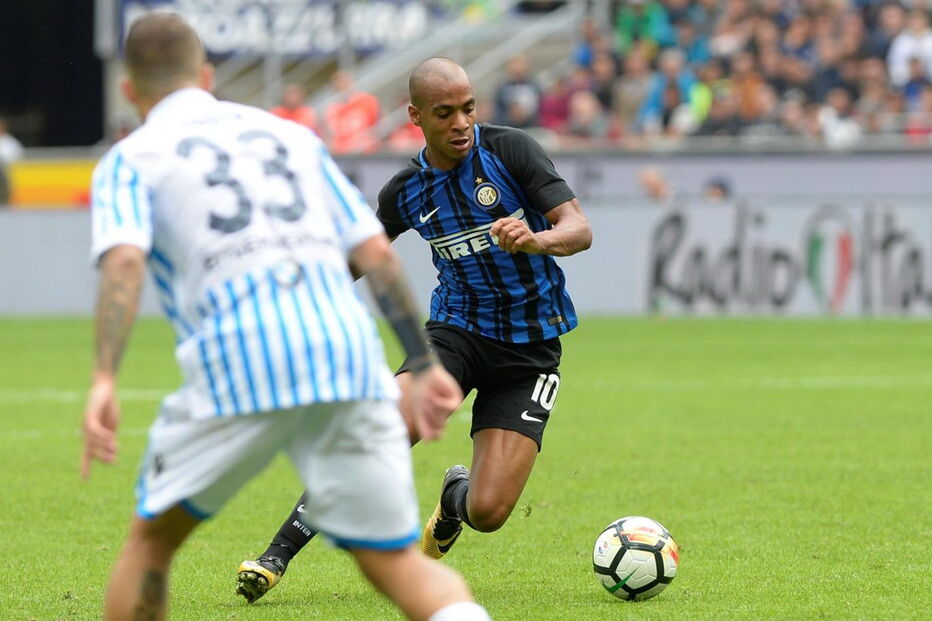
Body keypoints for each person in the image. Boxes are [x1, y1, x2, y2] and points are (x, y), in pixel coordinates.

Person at [81, 15, 491, 621]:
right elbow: (374, 253)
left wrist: (105, 379)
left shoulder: (130, 159)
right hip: (346, 357)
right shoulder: (287, 136)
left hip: (237, 361)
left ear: (130, 91)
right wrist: (424, 364)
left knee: (151, 544)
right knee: (398, 563)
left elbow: (123, 266)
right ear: (209, 75)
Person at [237, 56, 592, 603]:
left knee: (490, 511)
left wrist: (535, 238)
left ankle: (455, 499)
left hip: (531, 349)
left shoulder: (510, 150)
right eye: (445, 113)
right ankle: (275, 555)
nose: (461, 124)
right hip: (456, 333)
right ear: (416, 116)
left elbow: (578, 228)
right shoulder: (406, 191)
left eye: (469, 108)